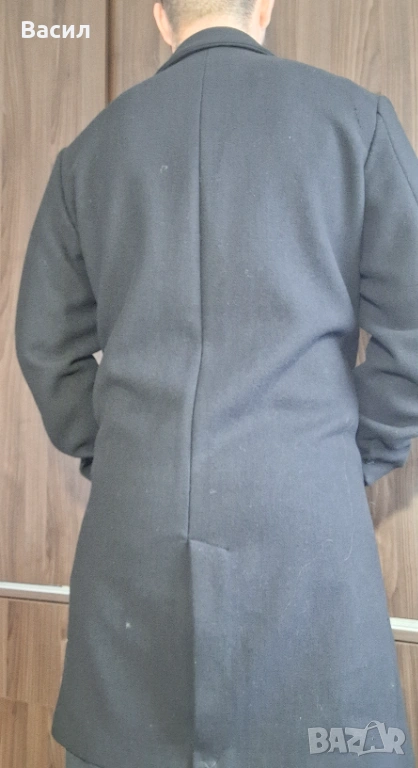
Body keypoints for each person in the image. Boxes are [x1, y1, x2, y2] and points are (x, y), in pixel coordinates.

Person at [14, 0, 418, 765]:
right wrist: (343, 457)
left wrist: (126, 454)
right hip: (308, 541)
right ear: (264, 7)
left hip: (133, 541)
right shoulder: (355, 124)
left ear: (160, 18)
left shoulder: (88, 155)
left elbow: (45, 349)